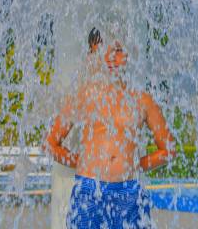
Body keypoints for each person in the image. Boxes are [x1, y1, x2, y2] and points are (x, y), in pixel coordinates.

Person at [45, 27, 176, 229]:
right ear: (91, 55)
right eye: (102, 51)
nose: (110, 58)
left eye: (117, 50)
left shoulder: (142, 100)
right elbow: (50, 144)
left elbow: (168, 149)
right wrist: (79, 161)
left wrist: (136, 164)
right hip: (89, 189)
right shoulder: (83, 96)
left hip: (129, 191)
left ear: (127, 55)